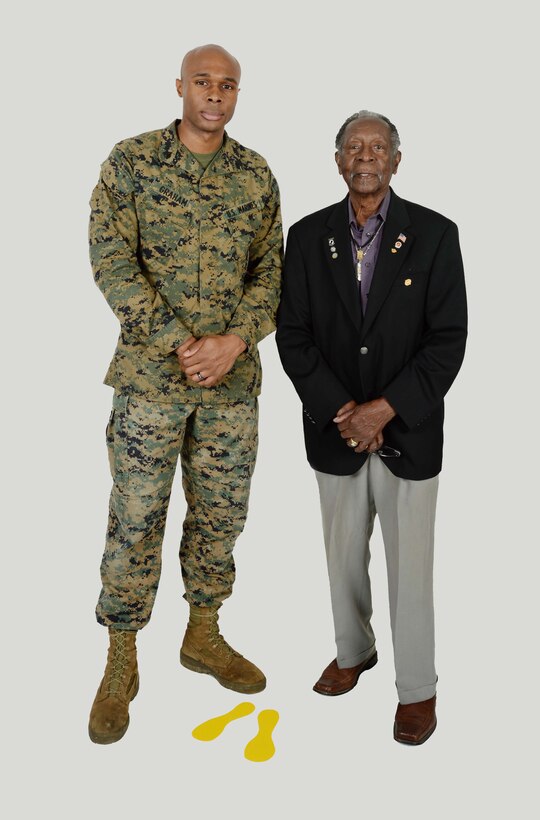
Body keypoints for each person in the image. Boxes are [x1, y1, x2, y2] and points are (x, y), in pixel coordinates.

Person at [88, 44, 283, 744]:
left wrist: (234, 341)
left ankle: (203, 634)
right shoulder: (133, 162)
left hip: (232, 389)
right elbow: (110, 258)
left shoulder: (255, 175)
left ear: (237, 94)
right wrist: (178, 339)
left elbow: (273, 274)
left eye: (228, 85)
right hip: (149, 382)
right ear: (180, 87)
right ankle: (121, 658)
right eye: (203, 82)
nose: (215, 95)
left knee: (221, 517)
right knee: (137, 516)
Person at [276, 111, 467, 745]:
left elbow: (447, 342)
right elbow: (295, 338)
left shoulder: (437, 235)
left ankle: (417, 689)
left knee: (410, 568)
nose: (366, 156)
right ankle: (353, 651)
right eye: (354, 147)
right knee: (342, 560)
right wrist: (344, 413)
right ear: (337, 161)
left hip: (406, 433)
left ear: (396, 160)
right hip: (334, 432)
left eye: (377, 147)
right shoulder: (306, 239)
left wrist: (382, 411)